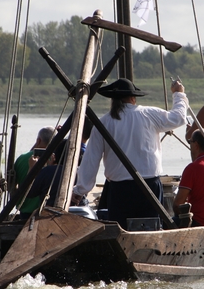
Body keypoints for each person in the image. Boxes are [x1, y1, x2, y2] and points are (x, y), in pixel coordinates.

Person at [72, 78, 188, 229]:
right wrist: (178, 94)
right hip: (149, 187)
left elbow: (91, 160)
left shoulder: (105, 122)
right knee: (151, 228)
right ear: (133, 99)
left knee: (121, 229)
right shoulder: (148, 114)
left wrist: (80, 190)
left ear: (113, 101)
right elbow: (178, 118)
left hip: (120, 190)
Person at [13, 126, 55, 219]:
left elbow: (13, 186)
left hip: (24, 212)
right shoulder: (55, 160)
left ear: (39, 140)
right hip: (45, 213)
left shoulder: (22, 158)